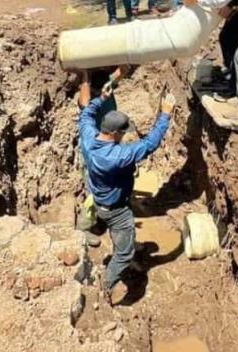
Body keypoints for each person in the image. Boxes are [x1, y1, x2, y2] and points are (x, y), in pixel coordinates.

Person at [78, 75, 176, 305]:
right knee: (124, 253)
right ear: (115, 133)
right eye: (123, 133)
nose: (124, 136)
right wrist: (165, 115)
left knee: (106, 215)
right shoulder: (117, 157)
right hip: (116, 210)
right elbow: (149, 144)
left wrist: (101, 98)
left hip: (98, 193)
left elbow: (86, 113)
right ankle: (105, 286)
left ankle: (92, 228)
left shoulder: (89, 136)